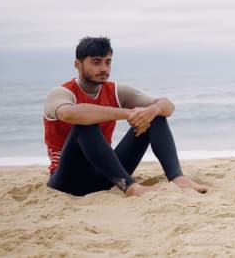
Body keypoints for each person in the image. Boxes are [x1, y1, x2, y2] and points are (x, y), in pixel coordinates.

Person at [43, 36, 207, 196]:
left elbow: (167, 106)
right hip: (68, 181)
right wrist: (129, 113)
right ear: (77, 64)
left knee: (154, 115)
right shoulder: (61, 93)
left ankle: (177, 177)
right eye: (96, 62)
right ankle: (130, 188)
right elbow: (70, 114)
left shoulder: (115, 91)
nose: (104, 68)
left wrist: (151, 111)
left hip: (107, 176)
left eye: (108, 62)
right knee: (85, 123)